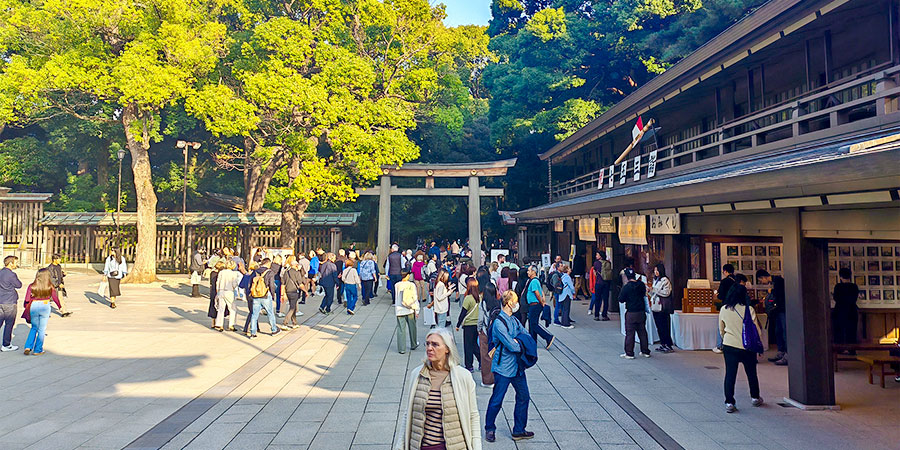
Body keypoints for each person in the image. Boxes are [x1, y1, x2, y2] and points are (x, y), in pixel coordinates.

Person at [400, 328, 481, 450]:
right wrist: (399, 445)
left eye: (435, 344)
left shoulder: (463, 376)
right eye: (427, 344)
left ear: (447, 349)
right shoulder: (417, 374)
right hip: (423, 446)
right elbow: (408, 414)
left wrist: (476, 447)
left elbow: (473, 415)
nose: (429, 348)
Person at [484, 290, 534, 442]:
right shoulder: (499, 323)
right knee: (497, 399)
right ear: (509, 303)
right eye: (516, 301)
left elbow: (526, 334)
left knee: (524, 396)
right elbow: (513, 346)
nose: (517, 303)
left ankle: (519, 429)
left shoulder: (514, 319)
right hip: (503, 366)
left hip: (517, 366)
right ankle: (490, 428)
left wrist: (519, 341)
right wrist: (519, 342)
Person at [719, 273, 763, 413]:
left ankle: (729, 402)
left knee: (730, 374)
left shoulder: (724, 309)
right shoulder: (749, 310)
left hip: (730, 345)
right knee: (751, 373)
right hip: (747, 347)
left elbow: (721, 329)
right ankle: (755, 397)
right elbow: (756, 330)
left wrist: (726, 338)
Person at [21, 269, 61, 355]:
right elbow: (55, 298)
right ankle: (38, 350)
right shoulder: (50, 286)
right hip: (45, 305)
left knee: (34, 327)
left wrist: (26, 306)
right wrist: (60, 307)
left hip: (34, 305)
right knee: (41, 329)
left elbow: (27, 299)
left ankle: (28, 346)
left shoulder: (32, 286)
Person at [756, 269, 787, 365]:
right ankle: (780, 352)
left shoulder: (778, 281)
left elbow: (781, 295)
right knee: (778, 332)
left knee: (784, 331)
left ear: (764, 277)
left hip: (782, 310)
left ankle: (787, 355)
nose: (762, 283)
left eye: (761, 280)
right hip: (777, 311)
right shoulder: (774, 282)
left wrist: (772, 292)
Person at [619, 268, 650, 359]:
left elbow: (621, 299)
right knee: (642, 332)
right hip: (641, 311)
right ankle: (645, 351)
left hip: (631, 312)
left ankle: (629, 353)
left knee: (630, 333)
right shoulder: (641, 285)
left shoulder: (626, 287)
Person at [247, 258, 280, 338]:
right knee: (270, 313)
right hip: (265, 294)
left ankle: (253, 332)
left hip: (256, 295)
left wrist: (251, 292)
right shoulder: (270, 272)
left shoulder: (256, 271)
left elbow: (250, 283)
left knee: (254, 315)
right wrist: (272, 294)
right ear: (268, 263)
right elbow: (272, 285)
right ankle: (274, 329)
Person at [524, 266, 554, 349]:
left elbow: (537, 293)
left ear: (533, 272)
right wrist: (543, 301)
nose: (527, 272)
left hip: (535, 305)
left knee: (533, 324)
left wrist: (542, 302)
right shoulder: (536, 281)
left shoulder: (534, 281)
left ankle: (548, 337)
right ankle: (533, 341)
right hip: (535, 305)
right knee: (532, 323)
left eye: (529, 271)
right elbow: (541, 292)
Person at [456, 278, 481, 372]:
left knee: (468, 346)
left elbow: (463, 312)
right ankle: (481, 361)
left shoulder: (468, 298)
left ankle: (469, 365)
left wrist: (458, 324)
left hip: (469, 324)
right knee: (475, 344)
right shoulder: (479, 297)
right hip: (477, 324)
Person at [478, 282, 499, 387]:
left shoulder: (483, 304)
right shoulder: (497, 303)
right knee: (495, 355)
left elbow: (480, 320)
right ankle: (496, 378)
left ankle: (487, 380)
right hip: (496, 333)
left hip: (485, 332)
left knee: (485, 357)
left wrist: (479, 330)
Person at [650, 263, 674, 353]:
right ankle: (663, 343)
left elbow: (666, 293)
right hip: (655, 305)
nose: (656, 272)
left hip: (662, 307)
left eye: (657, 270)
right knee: (659, 326)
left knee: (664, 325)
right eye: (655, 270)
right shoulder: (655, 280)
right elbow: (654, 293)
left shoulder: (665, 280)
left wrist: (654, 290)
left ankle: (668, 344)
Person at [394, 268, 419, 354]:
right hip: (409, 309)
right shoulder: (411, 285)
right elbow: (415, 298)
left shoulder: (397, 285)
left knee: (401, 329)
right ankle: (413, 343)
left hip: (399, 309)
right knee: (412, 328)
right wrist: (417, 309)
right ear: (408, 275)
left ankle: (402, 348)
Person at [713, 264, 736, 354]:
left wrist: (717, 296)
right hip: (737, 306)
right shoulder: (737, 280)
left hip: (726, 305)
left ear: (725, 271)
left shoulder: (724, 281)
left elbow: (721, 295)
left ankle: (720, 346)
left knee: (722, 325)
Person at [832, 268, 859, 346]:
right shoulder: (854, 286)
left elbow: (836, 298)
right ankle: (851, 350)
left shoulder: (838, 287)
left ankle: (840, 350)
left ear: (840, 276)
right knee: (851, 331)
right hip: (851, 311)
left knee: (839, 331)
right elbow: (854, 298)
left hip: (839, 311)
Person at [0, 256, 22, 352]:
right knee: (9, 324)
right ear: (10, 263)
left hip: (1, 301)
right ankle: (6, 344)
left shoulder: (1, 272)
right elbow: (19, 285)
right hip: (9, 302)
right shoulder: (11, 274)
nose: (16, 264)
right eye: (15, 262)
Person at [215, 260, 242, 332]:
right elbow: (234, 284)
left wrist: (218, 291)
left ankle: (219, 324)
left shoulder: (221, 272)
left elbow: (218, 282)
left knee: (221, 308)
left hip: (221, 290)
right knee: (232, 308)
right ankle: (231, 324)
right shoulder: (233, 274)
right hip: (229, 291)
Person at [281, 256, 307, 329]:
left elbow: (283, 283)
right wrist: (305, 291)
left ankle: (294, 322)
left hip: (288, 291)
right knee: (292, 308)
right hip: (294, 291)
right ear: (296, 265)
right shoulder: (296, 273)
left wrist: (282, 294)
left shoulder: (286, 272)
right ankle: (285, 323)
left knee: (294, 307)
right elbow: (300, 284)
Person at [591, 251, 612, 321]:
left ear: (600, 256)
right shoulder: (608, 263)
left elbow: (594, 273)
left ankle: (596, 315)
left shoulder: (596, 263)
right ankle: (604, 315)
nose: (596, 256)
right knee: (605, 299)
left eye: (597, 254)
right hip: (606, 283)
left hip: (599, 283)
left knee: (598, 299)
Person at [207, 260, 226, 328]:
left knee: (213, 305)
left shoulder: (212, 273)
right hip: (220, 291)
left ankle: (213, 322)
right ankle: (220, 323)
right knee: (221, 307)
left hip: (213, 290)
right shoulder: (222, 274)